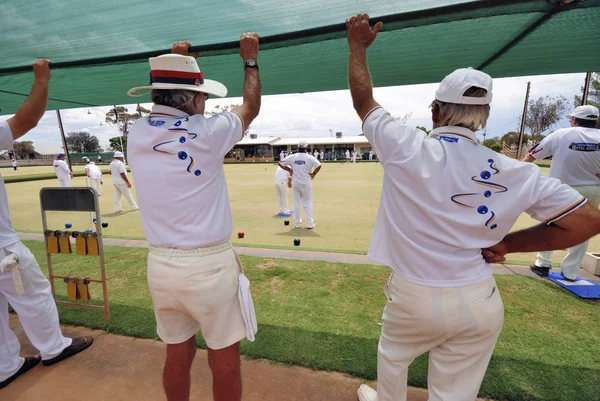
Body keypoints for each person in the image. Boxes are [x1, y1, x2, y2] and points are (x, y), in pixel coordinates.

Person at [346, 14, 600, 401]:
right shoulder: (518, 172)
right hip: (479, 300)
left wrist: (357, 48)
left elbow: (364, 100)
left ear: (434, 111)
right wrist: (509, 246)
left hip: (414, 295)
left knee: (393, 362)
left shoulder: (404, 145)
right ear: (482, 120)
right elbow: (587, 222)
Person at [127, 36, 261, 401]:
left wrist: (179, 63)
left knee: (177, 352)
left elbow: (168, 110)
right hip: (209, 268)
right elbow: (250, 106)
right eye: (202, 96)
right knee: (224, 359)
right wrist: (250, 61)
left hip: (161, 266)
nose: (206, 103)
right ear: (192, 100)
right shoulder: (207, 131)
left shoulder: (135, 133)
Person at [0, 59, 93, 390]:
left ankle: (4, 367)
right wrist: (41, 80)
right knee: (35, 294)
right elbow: (26, 119)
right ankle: (54, 348)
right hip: (2, 249)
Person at [523, 104, 600, 281]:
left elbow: (532, 155)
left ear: (574, 120)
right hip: (593, 190)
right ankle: (571, 272)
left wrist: (517, 174)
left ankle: (542, 264)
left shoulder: (561, 134)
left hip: (562, 190)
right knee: (583, 229)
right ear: (594, 122)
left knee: (551, 224)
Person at [279, 140, 321, 229]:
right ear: (306, 148)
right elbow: (319, 165)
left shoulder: (292, 157)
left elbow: (280, 163)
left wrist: (288, 170)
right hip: (306, 183)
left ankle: (297, 223)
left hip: (296, 183)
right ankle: (309, 223)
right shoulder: (310, 157)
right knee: (308, 203)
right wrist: (313, 174)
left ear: (298, 148)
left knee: (296, 203)